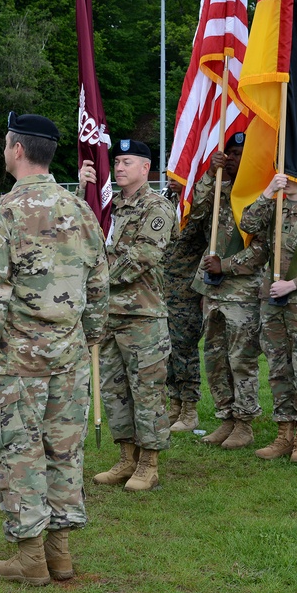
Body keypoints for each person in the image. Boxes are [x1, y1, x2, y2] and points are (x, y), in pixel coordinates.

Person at [0, 111, 108, 585]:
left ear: (17, 149)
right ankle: (60, 553)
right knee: (64, 451)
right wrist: (91, 335)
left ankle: (31, 558)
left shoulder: (3, 212)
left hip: (19, 360)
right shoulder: (81, 210)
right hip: (70, 355)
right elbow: (99, 284)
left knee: (18, 452)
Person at [79, 139, 174, 490]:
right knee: (114, 390)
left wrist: (94, 280)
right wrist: (85, 189)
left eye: (126, 162)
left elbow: (141, 258)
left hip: (142, 317)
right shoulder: (106, 206)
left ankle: (149, 464)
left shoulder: (157, 208)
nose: (118, 167)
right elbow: (77, 235)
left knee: (146, 391)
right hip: (109, 316)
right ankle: (126, 459)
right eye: (116, 161)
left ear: (145, 168)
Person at [241, 170, 297, 463]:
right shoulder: (273, 207)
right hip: (272, 301)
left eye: (291, 173)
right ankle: (284, 433)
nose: (285, 177)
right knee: (278, 366)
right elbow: (247, 224)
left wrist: (294, 284)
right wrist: (267, 192)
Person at [189, 134, 268, 450]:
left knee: (241, 357)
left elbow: (264, 246)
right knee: (215, 357)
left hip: (243, 289)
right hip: (213, 289)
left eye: (239, 154)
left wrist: (229, 265)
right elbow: (194, 214)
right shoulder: (219, 186)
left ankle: (244, 423)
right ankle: (226, 417)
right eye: (230, 153)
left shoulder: (259, 195)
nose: (233, 158)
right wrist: (210, 174)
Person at [162, 179, 206, 433]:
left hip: (187, 292)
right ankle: (175, 404)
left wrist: (203, 289)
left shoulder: (196, 207)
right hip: (163, 291)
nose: (172, 178)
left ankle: (190, 409)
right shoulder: (166, 202)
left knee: (184, 351)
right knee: (168, 352)